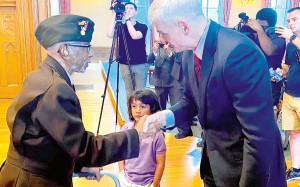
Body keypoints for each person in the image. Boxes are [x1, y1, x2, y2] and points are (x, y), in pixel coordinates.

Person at [143, 0, 287, 186]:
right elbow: (192, 99)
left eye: (163, 32)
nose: (162, 39)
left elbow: (259, 136)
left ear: (184, 26)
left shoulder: (238, 52)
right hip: (215, 161)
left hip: (246, 167)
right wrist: (165, 117)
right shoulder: (188, 49)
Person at [0, 14, 142, 187]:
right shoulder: (55, 88)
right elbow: (85, 149)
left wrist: (81, 165)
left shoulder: (44, 75)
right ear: (65, 50)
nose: (91, 54)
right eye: (86, 47)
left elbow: (52, 138)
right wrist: (136, 135)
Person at [148, 36, 193, 139]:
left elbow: (178, 60)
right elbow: (149, 60)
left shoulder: (175, 45)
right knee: (159, 106)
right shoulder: (156, 47)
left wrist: (168, 51)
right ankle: (160, 128)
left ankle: (185, 130)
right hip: (159, 81)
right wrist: (154, 51)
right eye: (159, 35)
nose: (161, 37)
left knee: (177, 104)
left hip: (174, 81)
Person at [118, 89, 166, 187]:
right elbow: (121, 154)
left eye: (142, 107)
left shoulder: (157, 134)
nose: (137, 110)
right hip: (126, 180)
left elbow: (160, 163)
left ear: (152, 108)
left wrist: (155, 184)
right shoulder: (126, 128)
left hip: (148, 182)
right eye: (134, 106)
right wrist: (121, 173)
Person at [275, 7, 300, 181]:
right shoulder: (291, 43)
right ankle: (296, 169)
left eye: (295, 19)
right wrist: (279, 73)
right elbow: (290, 67)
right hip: (290, 94)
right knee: (294, 133)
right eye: (289, 20)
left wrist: (291, 37)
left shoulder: (292, 39)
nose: (290, 23)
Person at [247, 8, 286, 119]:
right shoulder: (254, 34)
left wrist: (259, 31)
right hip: (254, 79)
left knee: (270, 112)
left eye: (263, 26)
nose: (261, 29)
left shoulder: (278, 36)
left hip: (271, 82)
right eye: (259, 26)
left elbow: (270, 50)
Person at [107, 1, 148, 100]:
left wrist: (127, 20)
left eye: (131, 8)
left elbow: (134, 36)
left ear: (136, 12)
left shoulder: (142, 26)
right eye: (126, 8)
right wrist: (114, 14)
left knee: (140, 93)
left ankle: (140, 114)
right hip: (124, 64)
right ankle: (131, 115)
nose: (128, 10)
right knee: (129, 92)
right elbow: (110, 34)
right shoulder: (121, 27)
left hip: (140, 64)